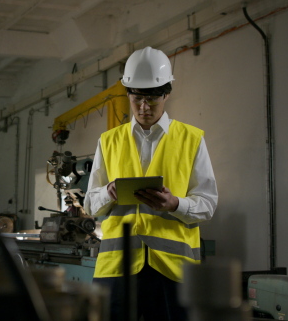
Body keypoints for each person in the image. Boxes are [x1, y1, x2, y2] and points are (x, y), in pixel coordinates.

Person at [86, 46, 218, 321]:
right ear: (128, 94)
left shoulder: (191, 139)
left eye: (152, 99)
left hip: (174, 269)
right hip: (117, 267)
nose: (144, 107)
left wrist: (175, 204)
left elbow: (207, 204)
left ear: (167, 93)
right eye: (137, 99)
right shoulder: (108, 140)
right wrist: (109, 193)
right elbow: (90, 204)